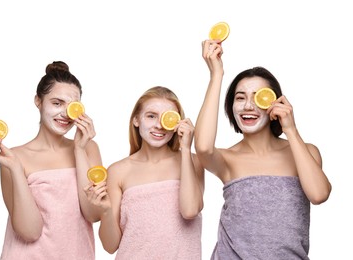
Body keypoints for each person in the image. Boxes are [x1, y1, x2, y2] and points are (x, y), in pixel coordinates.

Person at [194, 40, 332, 260]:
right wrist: (216, 75)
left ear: (274, 103)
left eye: (258, 97)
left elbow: (319, 194)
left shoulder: (306, 152)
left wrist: (291, 129)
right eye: (240, 98)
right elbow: (201, 146)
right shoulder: (228, 159)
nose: (248, 106)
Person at [0, 61, 102, 259]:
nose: (65, 113)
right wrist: (15, 168)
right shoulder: (14, 157)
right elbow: (29, 232)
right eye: (56, 103)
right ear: (38, 101)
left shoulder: (89, 148)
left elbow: (93, 214)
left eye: (72, 106)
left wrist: (79, 150)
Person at [85, 86, 204, 259]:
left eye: (167, 118)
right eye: (151, 116)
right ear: (136, 120)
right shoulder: (118, 171)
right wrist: (105, 210)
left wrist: (185, 148)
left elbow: (190, 210)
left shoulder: (193, 162)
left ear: (177, 123)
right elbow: (110, 246)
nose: (159, 125)